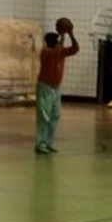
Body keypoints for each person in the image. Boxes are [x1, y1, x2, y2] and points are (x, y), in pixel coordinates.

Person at [35, 25, 80, 154]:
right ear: (50, 42)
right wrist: (65, 34)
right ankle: (40, 143)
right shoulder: (46, 52)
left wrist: (71, 34)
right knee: (44, 117)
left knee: (55, 116)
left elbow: (76, 48)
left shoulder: (60, 52)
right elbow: (59, 49)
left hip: (55, 88)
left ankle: (49, 143)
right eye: (56, 40)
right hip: (45, 87)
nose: (57, 42)